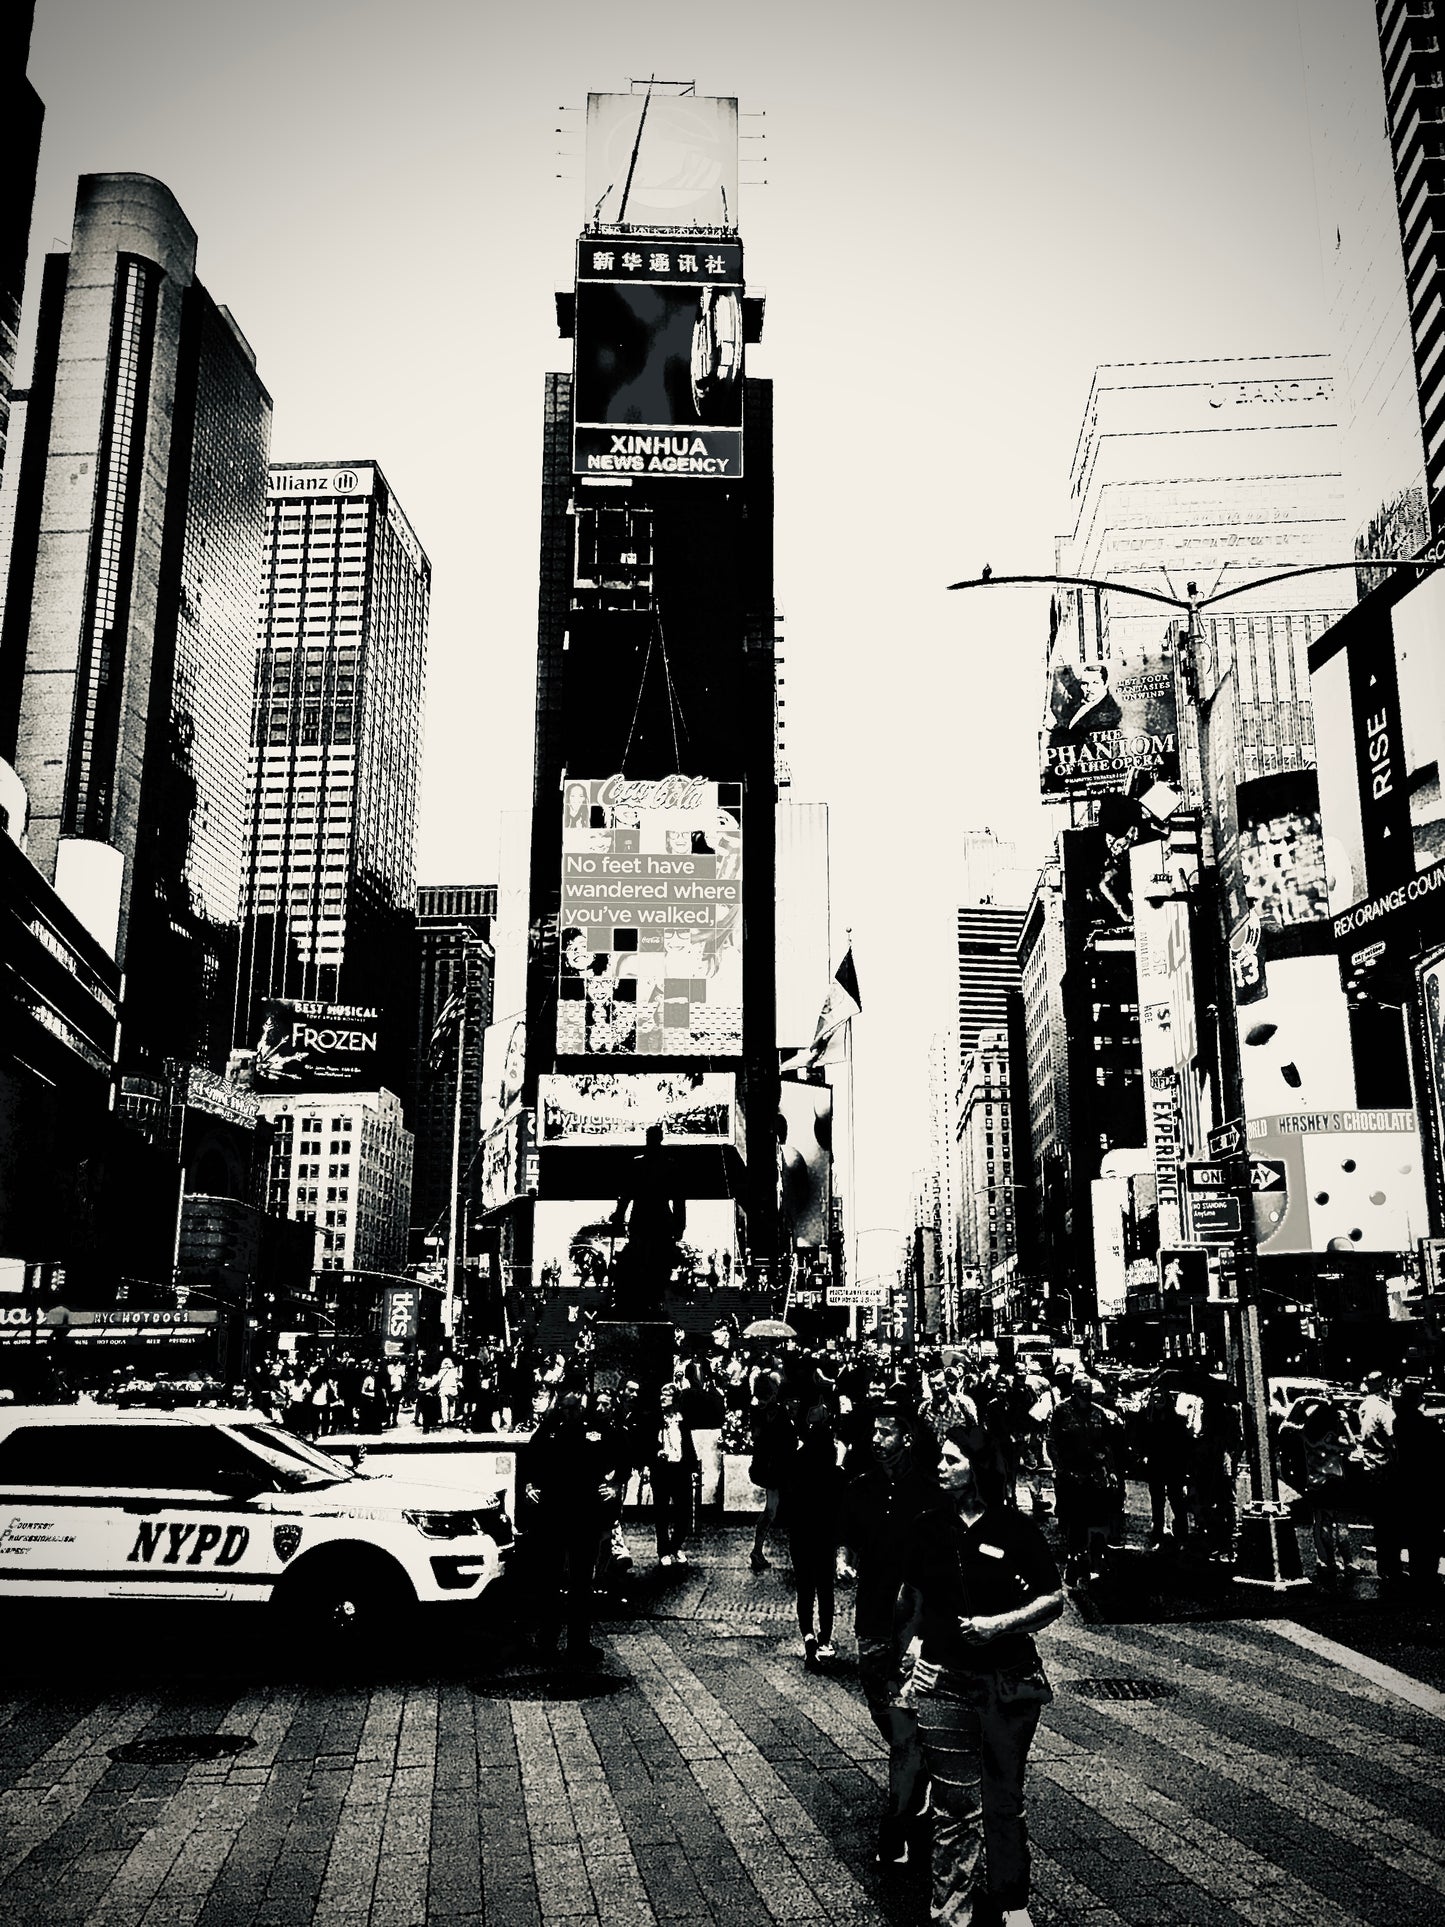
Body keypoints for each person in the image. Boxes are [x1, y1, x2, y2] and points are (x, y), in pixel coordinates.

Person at [898, 1422, 1065, 1927]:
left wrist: (999, 1625)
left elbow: (1053, 1599)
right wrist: (910, 1654)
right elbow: (911, 1599)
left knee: (1004, 1798)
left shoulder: (1015, 1529)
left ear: (977, 1467)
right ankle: (953, 1911)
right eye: (941, 1459)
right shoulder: (928, 1526)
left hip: (1007, 1682)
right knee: (954, 1805)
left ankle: (1012, 1900)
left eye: (952, 1460)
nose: (941, 1468)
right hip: (944, 1683)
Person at [843, 1397, 938, 1867]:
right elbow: (849, 1540)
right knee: (887, 1717)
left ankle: (898, 1824)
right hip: (872, 1621)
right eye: (874, 1432)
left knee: (904, 1727)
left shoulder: (929, 1491)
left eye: (886, 1431)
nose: (877, 1440)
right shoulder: (861, 1488)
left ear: (908, 1437)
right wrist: (844, 1558)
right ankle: (918, 1788)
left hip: (914, 1627)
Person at [516, 1391, 611, 1664]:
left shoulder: (595, 1426)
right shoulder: (550, 1426)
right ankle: (547, 1638)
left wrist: (615, 1484)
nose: (571, 1407)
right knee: (551, 1578)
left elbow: (620, 1454)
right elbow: (530, 1457)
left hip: (584, 1514)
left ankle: (577, 1643)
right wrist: (530, 1485)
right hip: (553, 1514)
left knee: (581, 1581)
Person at [781, 1390, 844, 1670]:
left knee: (804, 1589)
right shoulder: (833, 1463)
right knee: (825, 1589)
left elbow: (787, 1501)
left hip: (800, 1533)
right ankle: (826, 1640)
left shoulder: (797, 1459)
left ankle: (807, 1635)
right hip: (825, 1532)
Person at [1047, 1371, 1123, 1588]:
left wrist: (1111, 1470)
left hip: (1094, 1475)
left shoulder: (1099, 1414)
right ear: (1074, 1390)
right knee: (1074, 1520)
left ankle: (1095, 1561)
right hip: (1071, 1475)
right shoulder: (1061, 1411)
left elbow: (1108, 1445)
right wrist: (1060, 1469)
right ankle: (1074, 1558)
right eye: (1081, 1391)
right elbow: (1052, 1441)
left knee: (1098, 1520)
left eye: (1088, 1391)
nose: (1085, 1395)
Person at [1298, 1399, 1355, 1581]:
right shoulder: (1331, 1439)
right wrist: (1345, 1424)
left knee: (1323, 1522)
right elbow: (1352, 1445)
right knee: (1341, 1523)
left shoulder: (1307, 1438)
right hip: (1335, 1481)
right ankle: (1348, 1561)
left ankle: (1328, 1561)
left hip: (1317, 1482)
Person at [1356, 1371, 1401, 1586]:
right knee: (1391, 1522)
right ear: (1385, 1386)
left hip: (1369, 1466)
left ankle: (1385, 1567)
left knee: (1381, 1522)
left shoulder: (1364, 1406)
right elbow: (1394, 1439)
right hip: (1386, 1467)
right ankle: (1393, 1568)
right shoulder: (1384, 1410)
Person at [1135, 1382, 1192, 1548]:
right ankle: (1160, 1529)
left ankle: (1180, 1531)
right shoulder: (1149, 1419)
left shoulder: (1175, 1422)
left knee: (1174, 1498)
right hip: (1158, 1463)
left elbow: (1183, 1445)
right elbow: (1141, 1438)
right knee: (1159, 1499)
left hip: (1171, 1464)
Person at [746, 1372, 794, 1573]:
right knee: (773, 1510)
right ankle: (757, 1551)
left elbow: (758, 1438)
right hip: (777, 1467)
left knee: (772, 1510)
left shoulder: (760, 1413)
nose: (762, 1401)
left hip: (771, 1466)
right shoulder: (780, 1413)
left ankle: (757, 1551)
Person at [649, 1384, 697, 1568]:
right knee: (661, 1513)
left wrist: (692, 1468)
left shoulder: (682, 1420)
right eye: (662, 1393)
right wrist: (655, 1454)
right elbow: (647, 1443)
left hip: (680, 1470)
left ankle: (675, 1545)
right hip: (661, 1470)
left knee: (684, 1513)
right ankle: (663, 1551)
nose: (663, 1397)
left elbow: (688, 1445)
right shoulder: (655, 1419)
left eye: (667, 1395)